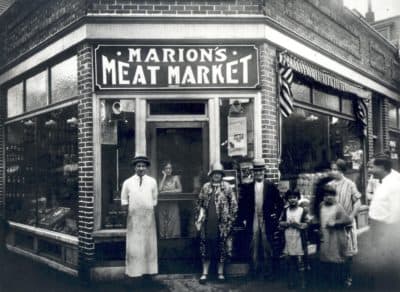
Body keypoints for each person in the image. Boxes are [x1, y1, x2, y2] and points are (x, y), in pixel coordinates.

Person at [195, 162, 238, 284]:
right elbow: (199, 204)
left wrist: (230, 220)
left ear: (222, 175)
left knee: (222, 248)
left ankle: (220, 273)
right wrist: (198, 220)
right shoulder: (206, 187)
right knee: (206, 248)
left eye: (219, 174)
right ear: (211, 174)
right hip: (207, 223)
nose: (217, 176)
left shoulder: (227, 187)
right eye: (215, 173)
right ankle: (204, 273)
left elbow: (234, 205)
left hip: (223, 224)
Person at [241, 158, 284, 280]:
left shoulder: (270, 186)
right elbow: (243, 204)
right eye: (256, 171)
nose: (258, 173)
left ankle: (268, 271)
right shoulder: (248, 187)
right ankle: (254, 271)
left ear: (264, 172)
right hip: (253, 217)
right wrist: (244, 218)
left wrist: (275, 215)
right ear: (253, 173)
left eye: (260, 171)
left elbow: (280, 203)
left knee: (266, 244)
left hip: (266, 218)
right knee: (253, 244)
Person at [121, 155, 158, 279]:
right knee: (134, 245)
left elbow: (154, 200)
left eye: (143, 166)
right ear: (134, 167)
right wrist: (131, 214)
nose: (141, 168)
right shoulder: (128, 182)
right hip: (134, 219)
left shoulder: (152, 181)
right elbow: (124, 201)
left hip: (148, 218)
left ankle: (149, 271)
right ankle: (134, 272)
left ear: (146, 167)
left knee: (148, 244)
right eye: (138, 166)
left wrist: (147, 209)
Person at [368, 153, 400, 290]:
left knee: (386, 264)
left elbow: (396, 211)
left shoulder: (394, 184)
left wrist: (387, 234)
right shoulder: (385, 180)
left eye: (371, 167)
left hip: (386, 229)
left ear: (381, 167)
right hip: (379, 227)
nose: (369, 170)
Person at [314, 176, 352, 290]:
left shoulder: (338, 207)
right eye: (326, 195)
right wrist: (318, 229)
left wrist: (335, 222)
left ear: (335, 196)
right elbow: (320, 219)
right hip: (325, 237)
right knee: (326, 259)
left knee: (336, 260)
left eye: (331, 195)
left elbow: (347, 220)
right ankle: (328, 283)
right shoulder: (321, 206)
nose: (328, 197)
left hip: (336, 237)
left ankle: (340, 282)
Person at [330, 159, 361, 288]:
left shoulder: (350, 184)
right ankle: (337, 277)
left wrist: (351, 217)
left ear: (342, 170)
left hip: (346, 223)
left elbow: (357, 202)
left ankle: (348, 276)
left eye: (335, 169)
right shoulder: (330, 185)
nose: (333, 171)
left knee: (347, 252)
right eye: (332, 169)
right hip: (333, 223)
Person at [279, 190, 308, 290]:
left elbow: (306, 224)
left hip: (299, 239)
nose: (292, 200)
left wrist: (298, 224)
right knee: (289, 262)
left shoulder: (302, 210)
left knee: (300, 262)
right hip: (288, 238)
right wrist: (285, 224)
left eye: (294, 197)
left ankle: (303, 283)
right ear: (287, 200)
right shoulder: (285, 210)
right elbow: (280, 223)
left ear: (298, 198)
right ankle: (291, 282)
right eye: (290, 198)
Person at [158, 162, 182, 239]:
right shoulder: (160, 178)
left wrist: (166, 192)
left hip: (173, 202)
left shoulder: (176, 178)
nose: (168, 170)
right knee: (162, 221)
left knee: (173, 221)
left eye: (170, 168)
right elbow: (159, 190)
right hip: (162, 203)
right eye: (166, 168)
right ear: (163, 170)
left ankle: (173, 239)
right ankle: (163, 239)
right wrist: (164, 176)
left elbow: (179, 190)